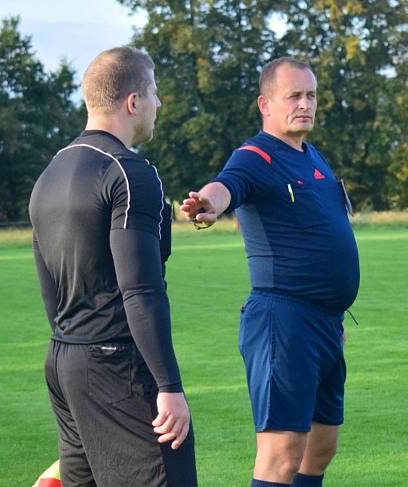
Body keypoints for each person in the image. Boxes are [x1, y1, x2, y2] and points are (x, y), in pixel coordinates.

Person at [179, 57, 359, 487]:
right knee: (281, 454)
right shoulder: (256, 155)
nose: (305, 104)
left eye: (311, 95)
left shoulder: (312, 156)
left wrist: (329, 312)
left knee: (321, 447)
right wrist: (207, 205)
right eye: (293, 96)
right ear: (265, 104)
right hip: (284, 320)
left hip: (323, 323)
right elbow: (226, 186)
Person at [29, 46, 196, 486]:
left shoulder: (51, 173)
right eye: (155, 93)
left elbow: (49, 287)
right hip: (117, 364)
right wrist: (169, 385)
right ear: (133, 101)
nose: (158, 104)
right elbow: (140, 290)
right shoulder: (128, 172)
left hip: (64, 360)